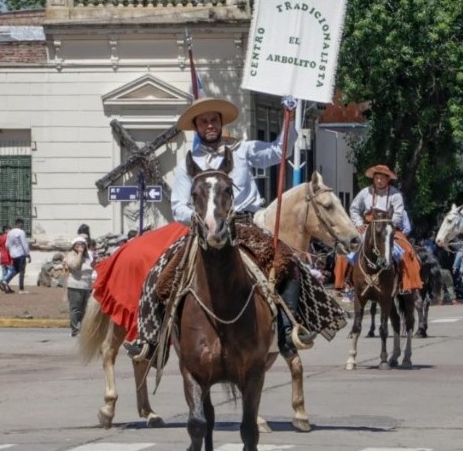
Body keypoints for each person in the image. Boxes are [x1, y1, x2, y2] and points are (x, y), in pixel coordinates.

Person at [92, 96, 312, 360]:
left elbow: (279, 151)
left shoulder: (242, 150)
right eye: (204, 121)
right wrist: (201, 218)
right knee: (160, 273)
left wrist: (290, 115)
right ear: (196, 127)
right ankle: (149, 338)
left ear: (221, 123)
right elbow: (178, 207)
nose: (210, 125)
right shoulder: (189, 162)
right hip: (203, 229)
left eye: (214, 120)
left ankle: (289, 332)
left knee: (288, 262)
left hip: (245, 225)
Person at [349, 164, 423, 292]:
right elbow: (354, 208)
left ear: (388, 179)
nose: (379, 180)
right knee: (347, 249)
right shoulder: (365, 192)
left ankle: (407, 283)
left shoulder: (395, 194)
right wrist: (358, 223)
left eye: (382, 178)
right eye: (376, 178)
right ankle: (346, 283)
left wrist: (389, 226)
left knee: (406, 250)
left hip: (389, 228)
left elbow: (398, 213)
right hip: (369, 228)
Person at [65, 236, 95, 337]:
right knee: (76, 309)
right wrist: (80, 254)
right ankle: (75, 329)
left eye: (82, 244)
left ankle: (83, 328)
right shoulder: (71, 255)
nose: (81, 246)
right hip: (75, 285)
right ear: (74, 246)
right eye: (78, 244)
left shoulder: (88, 256)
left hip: (87, 285)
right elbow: (75, 266)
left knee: (85, 309)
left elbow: (92, 267)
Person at [4, 218, 31, 294]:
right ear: (20, 224)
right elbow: (24, 244)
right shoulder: (21, 232)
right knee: (22, 271)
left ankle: (5, 281)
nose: (23, 225)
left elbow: (6, 245)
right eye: (22, 224)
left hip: (13, 255)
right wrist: (27, 254)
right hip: (21, 254)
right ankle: (21, 289)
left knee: (16, 270)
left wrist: (11, 251)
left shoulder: (10, 232)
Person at [0, 225, 13, 293]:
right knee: (12, 271)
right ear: (6, 230)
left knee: (4, 272)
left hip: (2, 256)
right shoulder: (9, 237)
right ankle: (3, 281)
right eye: (9, 229)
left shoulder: (0, 237)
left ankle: (6, 288)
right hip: (8, 257)